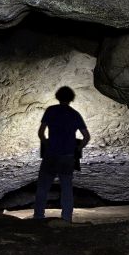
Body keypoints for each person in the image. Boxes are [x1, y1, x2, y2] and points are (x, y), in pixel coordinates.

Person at [34, 86, 90, 222]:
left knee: (43, 187)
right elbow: (86, 137)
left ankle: (38, 217)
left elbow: (41, 132)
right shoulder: (74, 114)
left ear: (57, 96)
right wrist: (78, 148)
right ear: (71, 98)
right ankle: (66, 218)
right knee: (66, 188)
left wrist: (47, 144)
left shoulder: (51, 111)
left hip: (51, 154)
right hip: (67, 156)